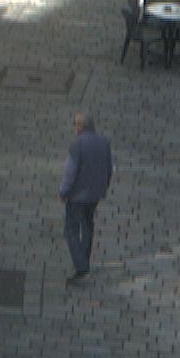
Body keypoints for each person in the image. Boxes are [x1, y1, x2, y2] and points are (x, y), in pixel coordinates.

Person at [60, 113, 113, 284]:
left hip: (77, 195)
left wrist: (64, 191)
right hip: (95, 194)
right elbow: (108, 168)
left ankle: (82, 267)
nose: (74, 128)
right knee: (88, 225)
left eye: (75, 124)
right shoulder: (104, 142)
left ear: (81, 126)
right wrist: (103, 187)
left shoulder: (78, 144)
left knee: (71, 230)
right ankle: (84, 260)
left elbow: (71, 171)